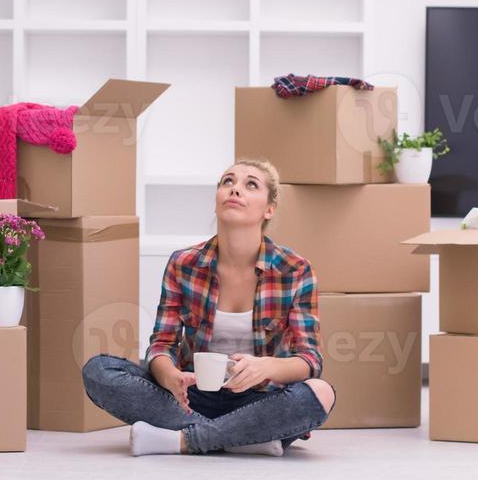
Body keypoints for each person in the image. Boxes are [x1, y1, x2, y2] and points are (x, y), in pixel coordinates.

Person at [81, 157, 335, 456]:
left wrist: (266, 367)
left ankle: (183, 440)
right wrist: (170, 377)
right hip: (191, 397)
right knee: (99, 370)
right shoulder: (183, 263)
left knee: (321, 392)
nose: (235, 189)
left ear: (269, 209)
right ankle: (247, 439)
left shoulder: (295, 270)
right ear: (216, 201)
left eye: (250, 184)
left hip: (258, 400)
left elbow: (310, 359)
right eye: (227, 182)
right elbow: (162, 344)